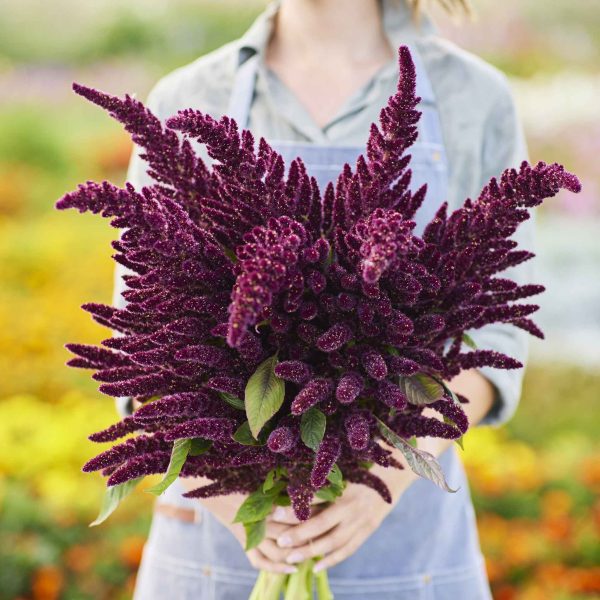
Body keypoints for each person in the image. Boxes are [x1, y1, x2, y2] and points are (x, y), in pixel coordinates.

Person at [115, 0, 534, 597]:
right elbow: (141, 336)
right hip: (215, 551)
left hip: (405, 542)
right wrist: (235, 499)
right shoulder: (188, 97)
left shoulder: (473, 97)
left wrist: (390, 472)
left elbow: (496, 337)